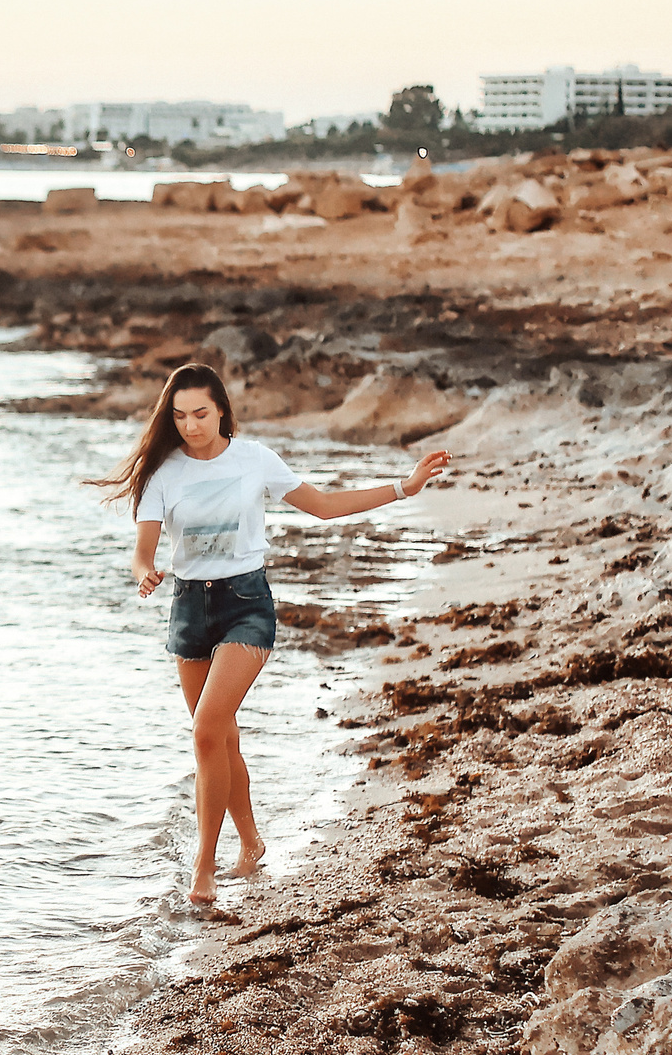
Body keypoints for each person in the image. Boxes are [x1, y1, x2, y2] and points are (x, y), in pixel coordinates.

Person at [95, 363, 449, 905]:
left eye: (201, 414)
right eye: (180, 416)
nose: (190, 425)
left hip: (245, 604)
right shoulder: (162, 472)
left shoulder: (254, 459)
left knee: (206, 730)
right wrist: (144, 571)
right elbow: (143, 548)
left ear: (221, 411)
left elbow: (325, 507)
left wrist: (406, 486)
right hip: (188, 608)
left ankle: (204, 866)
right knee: (221, 737)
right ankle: (251, 843)